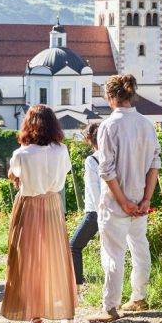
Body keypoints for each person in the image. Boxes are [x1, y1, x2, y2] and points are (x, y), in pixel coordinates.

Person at [88, 74, 161, 323]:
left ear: (110, 97)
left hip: (115, 203)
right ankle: (139, 297)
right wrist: (146, 199)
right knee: (140, 247)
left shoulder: (109, 126)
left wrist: (122, 202)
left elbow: (106, 171)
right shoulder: (147, 124)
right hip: (141, 200)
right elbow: (154, 164)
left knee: (113, 255)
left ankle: (110, 307)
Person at [0, 104, 77, 323]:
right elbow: (63, 174)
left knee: (29, 260)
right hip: (53, 205)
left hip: (29, 206)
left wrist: (20, 177)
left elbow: (13, 174)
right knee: (56, 255)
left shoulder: (21, 154)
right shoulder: (62, 150)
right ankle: (66, 311)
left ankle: (36, 318)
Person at [68, 123, 101, 295]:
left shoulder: (92, 160)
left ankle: (75, 288)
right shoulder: (115, 157)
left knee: (74, 246)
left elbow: (94, 191)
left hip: (95, 212)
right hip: (115, 209)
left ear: (89, 140)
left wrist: (101, 215)